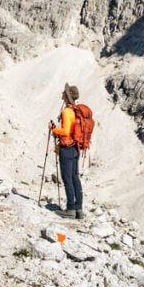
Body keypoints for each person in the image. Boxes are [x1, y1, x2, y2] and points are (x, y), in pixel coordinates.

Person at [49, 83, 83, 220]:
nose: (62, 93)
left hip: (67, 149)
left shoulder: (66, 112)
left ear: (67, 97)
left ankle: (70, 209)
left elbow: (65, 131)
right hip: (75, 148)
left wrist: (53, 129)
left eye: (64, 92)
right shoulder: (75, 111)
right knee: (75, 177)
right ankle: (78, 208)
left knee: (67, 178)